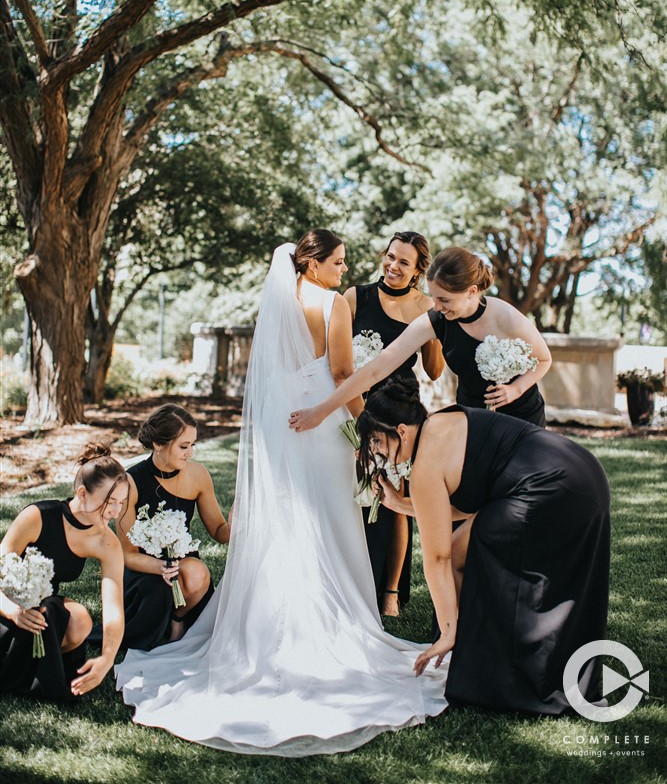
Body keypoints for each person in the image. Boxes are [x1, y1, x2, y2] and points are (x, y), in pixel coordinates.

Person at [116, 232, 448, 755]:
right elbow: (341, 373)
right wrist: (366, 427)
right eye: (337, 262)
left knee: (288, 522)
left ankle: (271, 629)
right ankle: (328, 631)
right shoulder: (334, 303)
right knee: (327, 521)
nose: (345, 270)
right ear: (313, 264)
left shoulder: (278, 300)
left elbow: (274, 377)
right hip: (322, 423)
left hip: (280, 428)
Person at [356, 380, 610, 714]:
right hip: (582, 471)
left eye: (376, 440)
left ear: (401, 431)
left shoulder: (425, 465)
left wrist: (447, 632)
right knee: (464, 544)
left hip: (553, 488)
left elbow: (437, 558)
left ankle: (478, 657)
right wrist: (400, 503)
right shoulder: (441, 424)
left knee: (467, 549)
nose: (377, 451)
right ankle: (473, 658)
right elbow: (457, 509)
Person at [289, 245, 552, 434]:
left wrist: (515, 389)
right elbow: (376, 368)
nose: (436, 306)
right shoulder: (436, 320)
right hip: (473, 418)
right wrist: (320, 412)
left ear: (471, 292)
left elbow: (544, 358)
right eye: (433, 297)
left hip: (523, 417)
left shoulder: (505, 315)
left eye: (444, 299)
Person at [345, 230, 444, 617]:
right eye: (390, 256)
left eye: (404, 261)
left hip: (400, 415)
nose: (393, 266)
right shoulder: (356, 297)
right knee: (353, 495)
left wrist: (435, 326)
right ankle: (353, 579)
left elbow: (435, 371)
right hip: (355, 409)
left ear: (419, 270)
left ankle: (390, 592)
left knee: (395, 499)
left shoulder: (424, 306)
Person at [0, 446, 127, 701]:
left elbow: (113, 608)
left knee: (78, 619)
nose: (116, 511)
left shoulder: (107, 542)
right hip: (5, 604)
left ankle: (27, 668)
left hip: (43, 614)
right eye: (110, 502)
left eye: (121, 503)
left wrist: (107, 659)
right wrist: (13, 611)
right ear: (82, 493)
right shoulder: (38, 516)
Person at [116, 404, 230, 650]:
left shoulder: (198, 475)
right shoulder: (131, 482)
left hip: (183, 566)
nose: (190, 453)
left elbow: (220, 531)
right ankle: (154, 625)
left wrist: (238, 523)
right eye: (183, 446)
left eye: (193, 445)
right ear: (158, 443)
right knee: (159, 585)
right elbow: (127, 554)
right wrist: (161, 566)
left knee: (197, 573)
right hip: (143, 569)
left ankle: (178, 619)